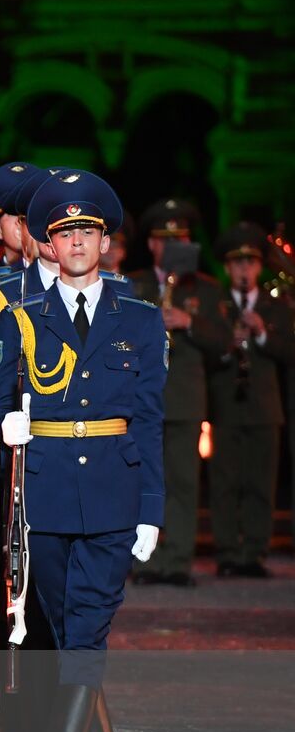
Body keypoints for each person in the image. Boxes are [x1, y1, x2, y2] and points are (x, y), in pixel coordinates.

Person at [0, 169, 165, 732]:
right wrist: (5, 421)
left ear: (106, 241)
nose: (75, 242)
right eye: (64, 233)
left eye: (86, 231)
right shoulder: (23, 318)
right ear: (48, 243)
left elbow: (150, 419)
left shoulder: (142, 321)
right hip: (48, 491)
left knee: (85, 635)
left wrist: (151, 506)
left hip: (114, 493)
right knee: (69, 639)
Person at [128, 199, 231, 586]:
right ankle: (145, 561)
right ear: (153, 244)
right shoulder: (133, 283)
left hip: (185, 400)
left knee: (184, 482)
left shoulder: (204, 288)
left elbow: (224, 341)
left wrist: (190, 321)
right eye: (165, 240)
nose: (173, 247)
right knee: (141, 481)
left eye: (181, 239)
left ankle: (177, 562)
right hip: (140, 400)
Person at [207, 222, 294, 577]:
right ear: (228, 269)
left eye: (251, 263)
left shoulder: (278, 308)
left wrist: (261, 334)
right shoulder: (218, 305)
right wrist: (228, 344)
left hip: (264, 409)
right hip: (226, 406)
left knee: (261, 482)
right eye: (237, 264)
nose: (244, 270)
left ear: (259, 267)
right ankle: (227, 552)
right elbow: (206, 354)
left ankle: (255, 553)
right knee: (225, 482)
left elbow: (289, 352)